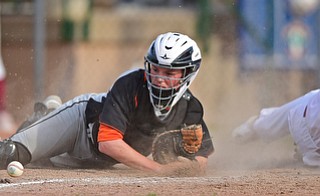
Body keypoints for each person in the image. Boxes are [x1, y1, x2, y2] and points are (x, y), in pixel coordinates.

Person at [0, 32, 214, 175]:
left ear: (188, 74)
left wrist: (187, 166)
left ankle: (44, 115)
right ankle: (46, 117)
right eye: (155, 69)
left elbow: (201, 156)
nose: (159, 77)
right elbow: (109, 142)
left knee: (40, 162)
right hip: (79, 125)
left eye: (169, 72)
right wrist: (157, 169)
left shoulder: (190, 108)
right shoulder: (130, 84)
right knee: (10, 154)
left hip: (94, 158)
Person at [232, 89, 320, 167]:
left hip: (310, 131)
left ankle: (255, 125)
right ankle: (255, 126)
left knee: (270, 122)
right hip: (308, 120)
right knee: (269, 123)